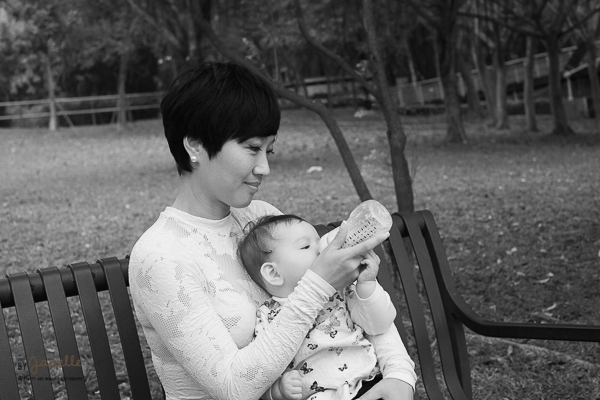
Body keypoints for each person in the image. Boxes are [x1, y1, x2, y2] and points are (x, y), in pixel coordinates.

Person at [128, 61, 416, 400]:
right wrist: (319, 283)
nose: (264, 167)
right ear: (194, 146)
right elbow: (234, 388)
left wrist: (399, 374)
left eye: (269, 150)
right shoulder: (160, 257)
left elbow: (350, 299)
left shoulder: (260, 217)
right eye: (252, 148)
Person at [238, 214, 416, 400]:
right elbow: (262, 373)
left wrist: (367, 285)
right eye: (306, 246)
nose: (322, 250)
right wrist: (277, 390)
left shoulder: (341, 291)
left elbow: (379, 325)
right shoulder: (267, 316)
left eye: (319, 241)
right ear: (273, 273)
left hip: (367, 383)